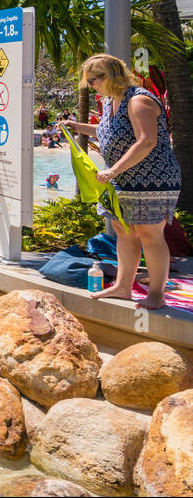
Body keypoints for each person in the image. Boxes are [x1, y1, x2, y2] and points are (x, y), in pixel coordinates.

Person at [65, 54, 182, 308]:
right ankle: (122, 287)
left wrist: (113, 170)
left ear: (109, 76)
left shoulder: (139, 100)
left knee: (149, 234)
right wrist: (76, 126)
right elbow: (110, 131)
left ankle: (156, 294)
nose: (91, 85)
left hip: (153, 179)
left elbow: (146, 140)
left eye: (93, 80)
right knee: (123, 231)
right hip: (122, 178)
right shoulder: (110, 102)